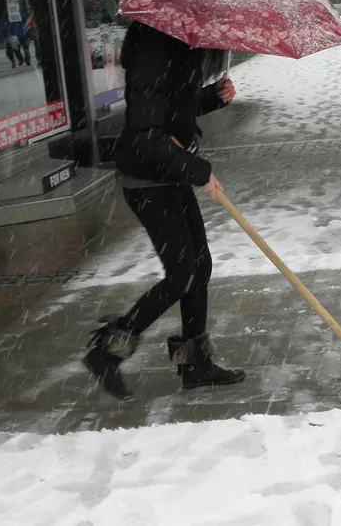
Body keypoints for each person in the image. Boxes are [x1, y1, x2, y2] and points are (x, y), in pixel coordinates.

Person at [83, 21, 244, 401]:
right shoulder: (154, 51)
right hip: (147, 181)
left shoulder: (175, 47)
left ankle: (195, 364)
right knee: (182, 275)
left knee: (198, 268)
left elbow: (172, 112)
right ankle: (108, 351)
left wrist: (212, 97)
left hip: (169, 173)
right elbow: (146, 135)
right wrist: (198, 171)